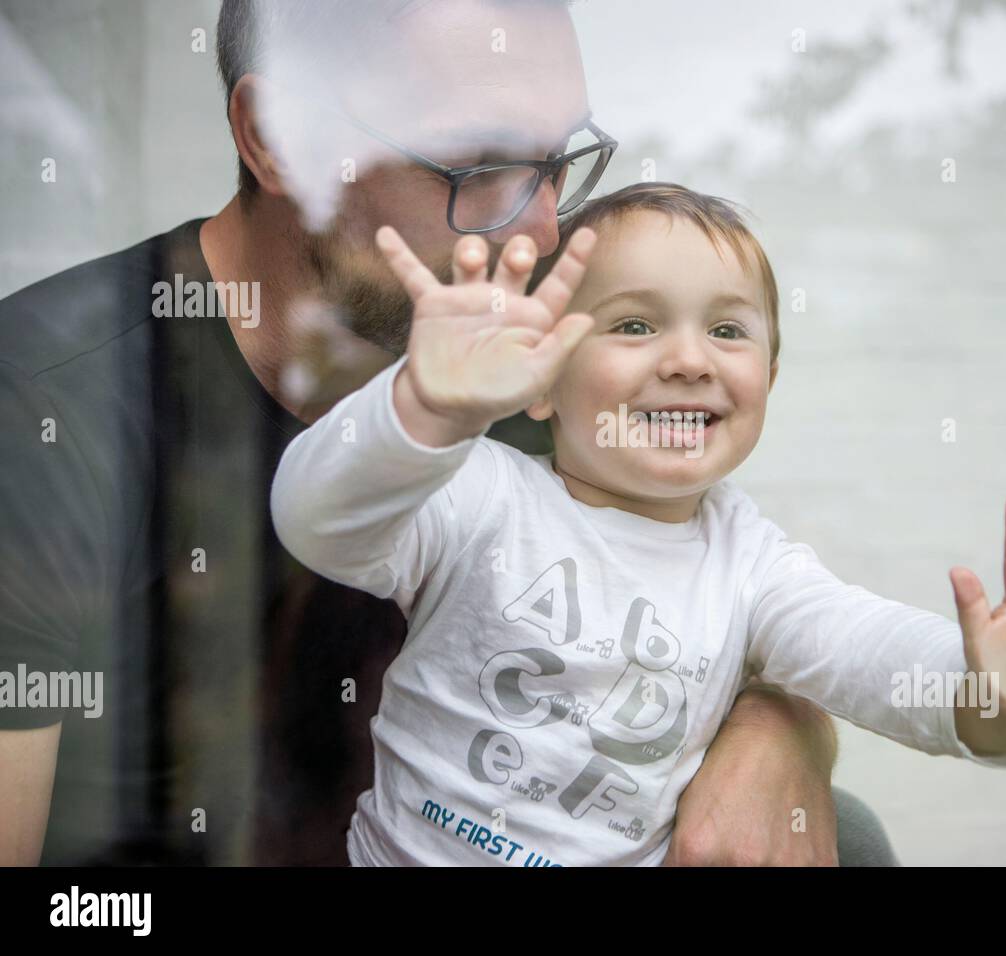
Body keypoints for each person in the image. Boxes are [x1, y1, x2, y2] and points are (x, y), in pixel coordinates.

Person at [0, 0, 863, 867]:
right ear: (274, 138)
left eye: (556, 163)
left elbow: (707, 598)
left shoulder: (540, 352)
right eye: (477, 166)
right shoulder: (40, 415)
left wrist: (780, 730)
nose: (538, 231)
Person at [269, 181, 1006, 865]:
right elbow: (320, 519)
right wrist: (423, 408)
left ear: (771, 382)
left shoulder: (753, 568)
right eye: (633, 327)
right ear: (540, 378)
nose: (686, 360)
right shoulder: (482, 494)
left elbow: (867, 654)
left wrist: (997, 692)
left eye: (729, 331)